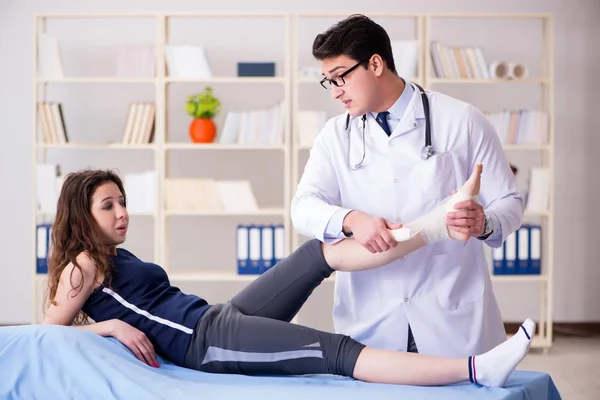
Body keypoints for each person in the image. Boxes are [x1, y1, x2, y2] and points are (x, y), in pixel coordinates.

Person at [42, 167, 534, 388]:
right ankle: (476, 370)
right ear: (80, 214)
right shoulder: (81, 266)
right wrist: (107, 327)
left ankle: (439, 223)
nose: (122, 212)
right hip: (206, 345)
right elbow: (46, 333)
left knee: (315, 254)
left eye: (123, 201)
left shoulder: (113, 257)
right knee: (336, 351)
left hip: (216, 316)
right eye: (108, 205)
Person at [291, 14, 524, 358]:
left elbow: (510, 201)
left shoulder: (462, 120)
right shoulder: (335, 136)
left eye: (341, 76)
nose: (336, 91)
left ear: (375, 63)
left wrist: (484, 223)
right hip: (372, 318)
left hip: (451, 313)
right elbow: (302, 207)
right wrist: (350, 219)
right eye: (329, 81)